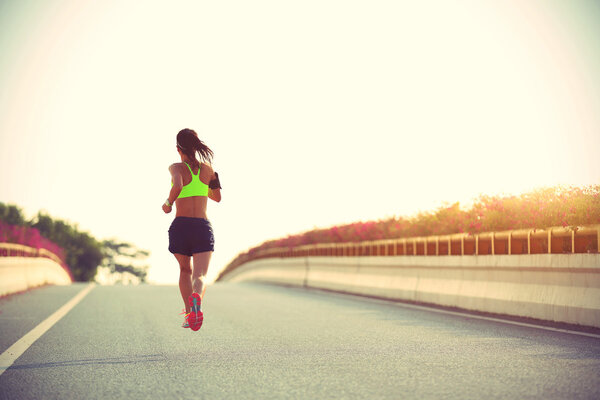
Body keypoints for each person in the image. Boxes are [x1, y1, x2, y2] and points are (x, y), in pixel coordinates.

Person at [162, 128, 221, 331]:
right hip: (202, 227)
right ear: (196, 147)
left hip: (181, 226)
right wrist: (202, 187)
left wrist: (168, 203)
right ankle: (198, 299)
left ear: (178, 148)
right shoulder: (208, 169)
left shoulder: (176, 167)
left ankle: (189, 313)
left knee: (185, 270)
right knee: (200, 275)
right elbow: (217, 196)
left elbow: (177, 186)